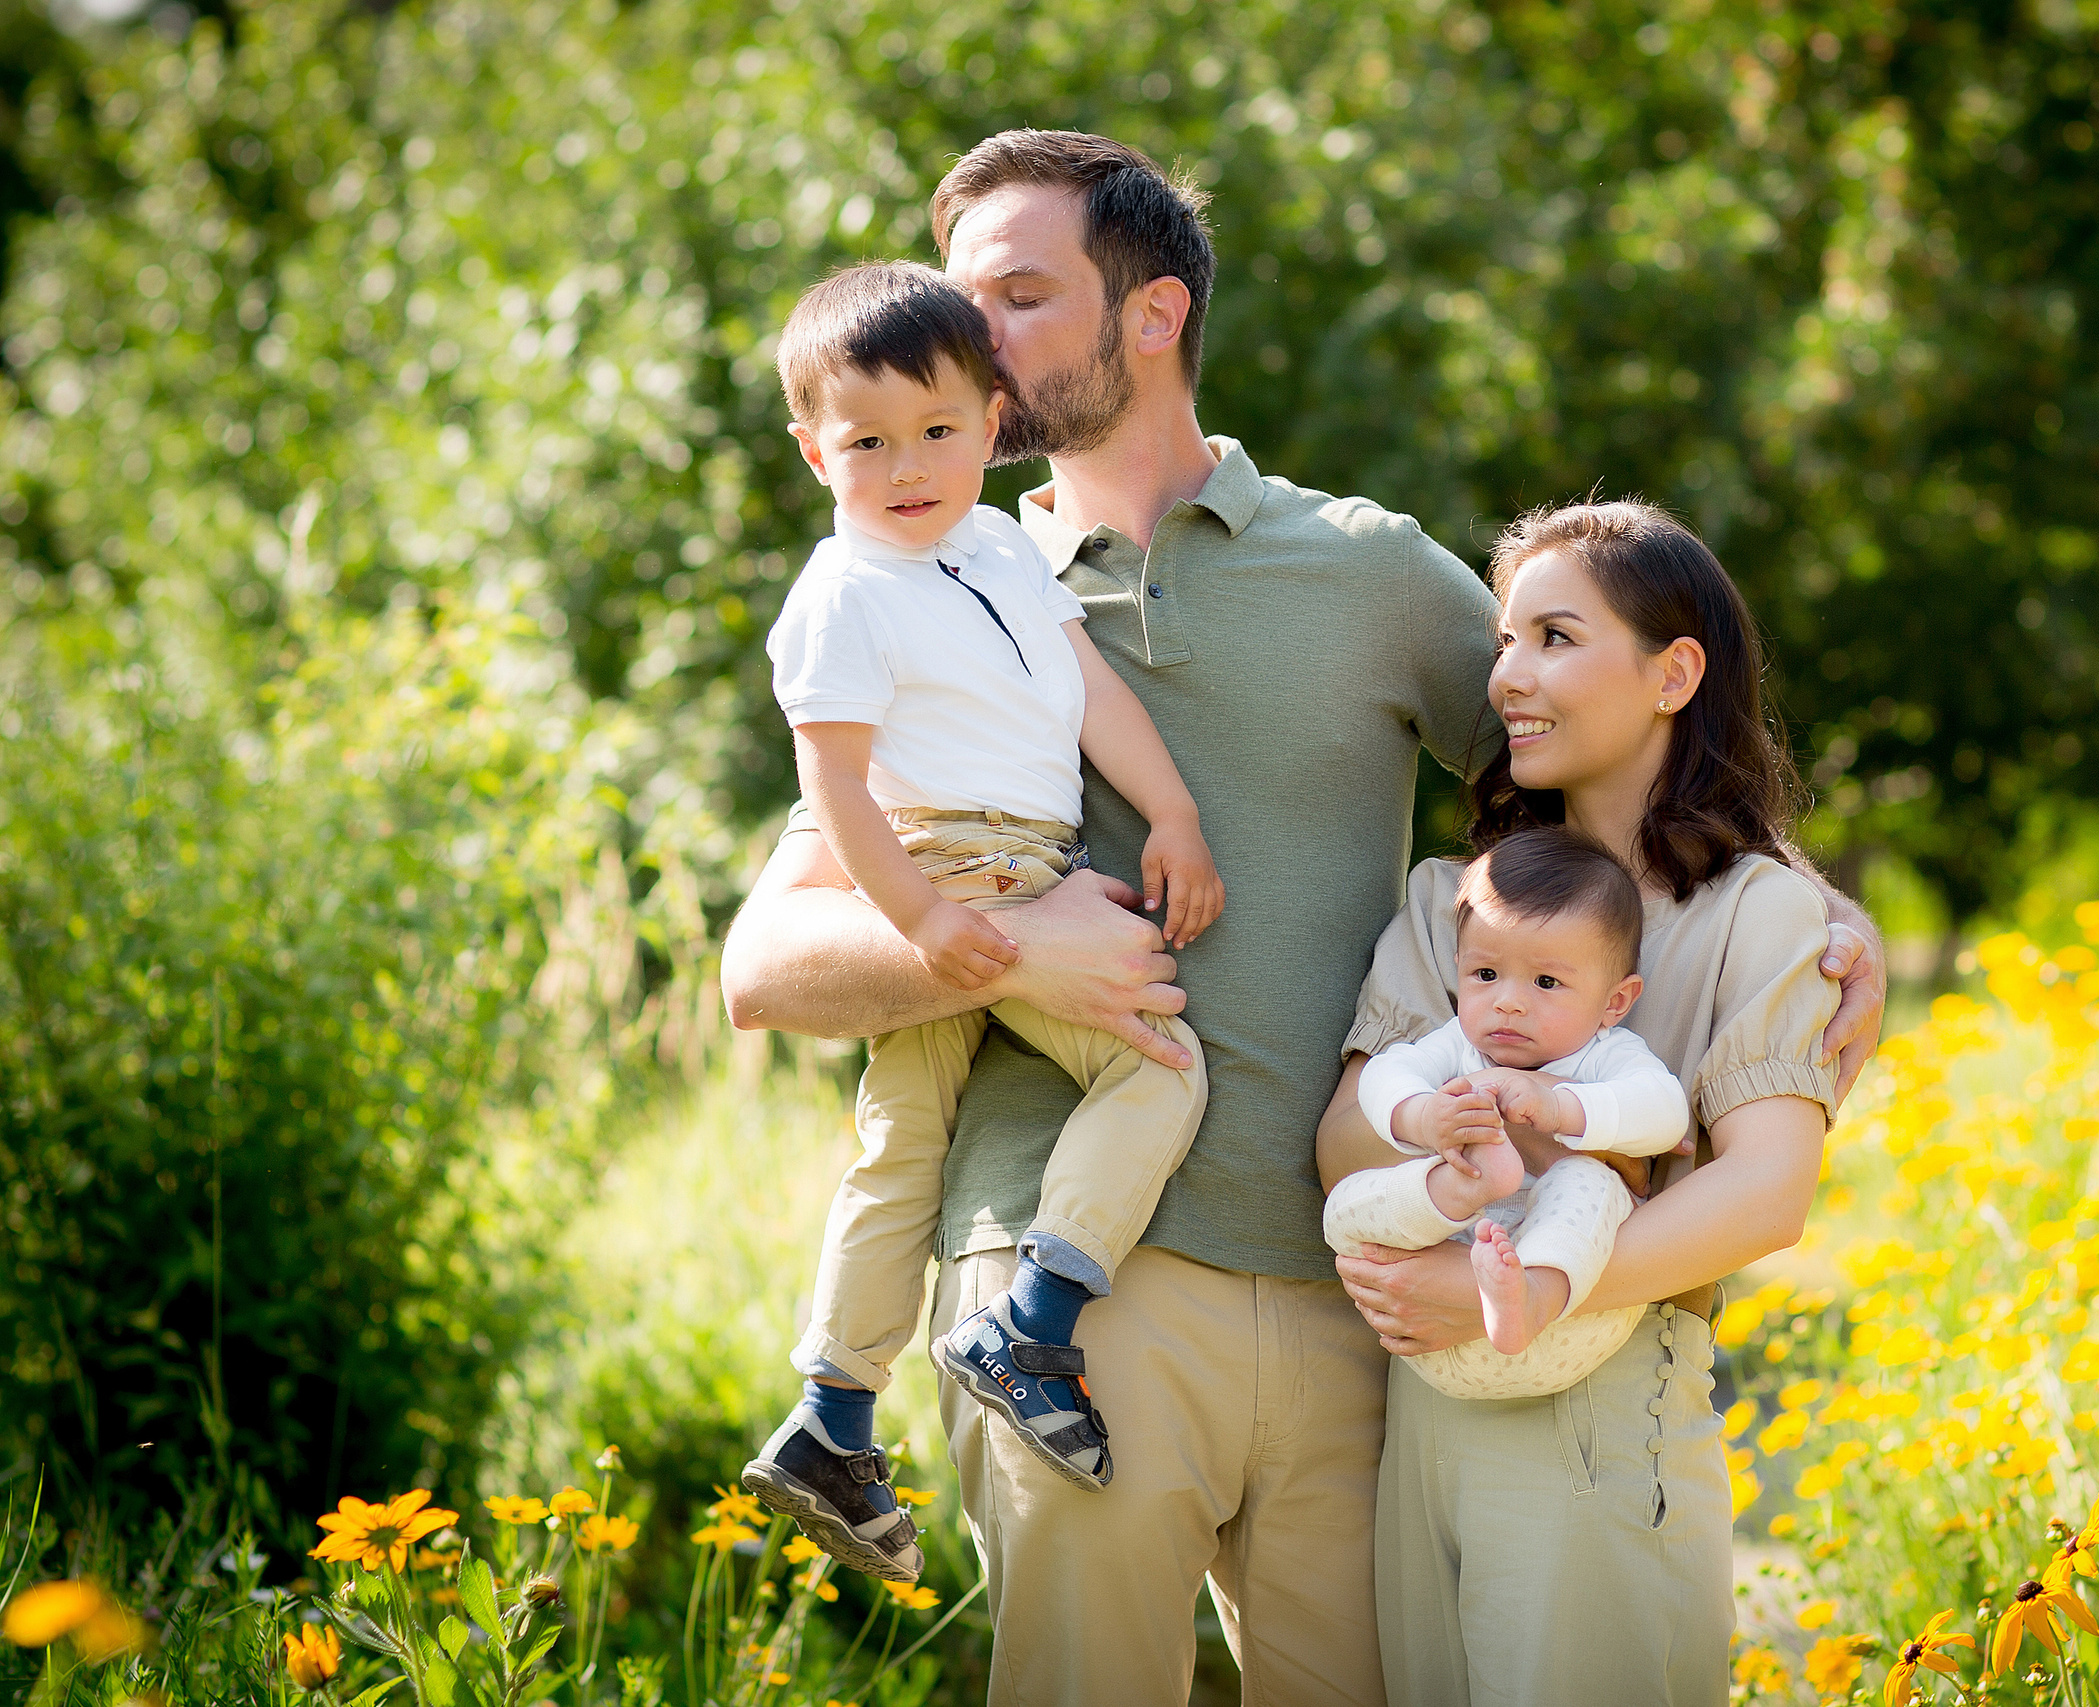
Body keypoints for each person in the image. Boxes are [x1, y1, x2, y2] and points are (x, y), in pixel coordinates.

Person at [720, 129, 1891, 1705]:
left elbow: (1596, 745)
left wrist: (1809, 891)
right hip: (1071, 1295)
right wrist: (1001, 943)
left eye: (1014, 296)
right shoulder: (939, 593)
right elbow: (763, 964)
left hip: (1366, 1297)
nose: (967, 343)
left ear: (1152, 312)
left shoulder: (1368, 570)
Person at [741, 260, 1225, 1579]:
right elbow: (832, 781)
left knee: (902, 1144)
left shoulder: (1002, 544)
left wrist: (1172, 811)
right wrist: (920, 920)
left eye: (940, 430)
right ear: (812, 449)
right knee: (1158, 1066)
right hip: (950, 871)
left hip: (1016, 859)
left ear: (993, 418)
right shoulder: (842, 591)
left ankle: (834, 1416)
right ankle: (1035, 1319)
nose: (908, 465)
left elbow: (1089, 695)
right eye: (867, 442)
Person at [1321, 501, 1841, 1706]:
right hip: (1420, 1419)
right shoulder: (1451, 898)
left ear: (1673, 674)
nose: (1508, 675)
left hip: (1606, 1413)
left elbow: (1768, 1193)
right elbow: (1341, 1141)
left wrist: (1506, 1293)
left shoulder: (1757, 914)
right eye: (1504, 642)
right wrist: (1429, 1139)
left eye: (1554, 636)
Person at [1322, 826, 1689, 1397]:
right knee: (1347, 1204)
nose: (1508, 1001)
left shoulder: (1603, 1056)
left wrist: (1559, 1106)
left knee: (1590, 1180)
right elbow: (1384, 1075)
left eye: (1546, 982)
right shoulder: (1457, 1045)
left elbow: (1666, 1112)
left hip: (1554, 1329)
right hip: (1428, 1320)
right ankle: (1465, 1187)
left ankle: (1532, 1291)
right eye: (1485, 975)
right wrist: (1423, 1117)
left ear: (1615, 1002)